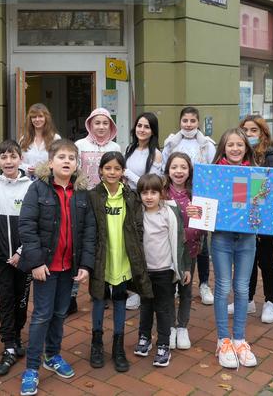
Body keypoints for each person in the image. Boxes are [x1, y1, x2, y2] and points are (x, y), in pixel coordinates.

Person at [17, 139, 96, 396]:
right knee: (42, 315)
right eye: (61, 157)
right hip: (46, 267)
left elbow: (88, 232)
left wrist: (85, 264)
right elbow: (27, 226)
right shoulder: (38, 189)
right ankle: (31, 368)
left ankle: (52, 355)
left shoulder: (82, 193)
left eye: (71, 158)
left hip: (69, 267)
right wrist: (37, 262)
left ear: (77, 164)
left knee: (60, 313)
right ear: (50, 162)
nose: (66, 161)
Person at [210, 128, 273, 369]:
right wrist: (195, 210)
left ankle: (239, 339)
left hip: (246, 240)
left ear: (246, 148)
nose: (234, 148)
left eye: (239, 145)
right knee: (222, 288)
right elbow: (205, 205)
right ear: (223, 147)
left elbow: (259, 209)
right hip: (221, 239)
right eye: (230, 144)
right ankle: (223, 340)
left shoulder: (256, 175)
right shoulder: (215, 174)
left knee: (242, 288)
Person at [87, 152, 151, 373]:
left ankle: (118, 346)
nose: (112, 172)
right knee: (98, 299)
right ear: (100, 171)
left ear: (123, 171)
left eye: (116, 168)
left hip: (123, 259)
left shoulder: (130, 196)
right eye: (108, 168)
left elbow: (138, 225)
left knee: (120, 299)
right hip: (101, 259)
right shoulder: (93, 196)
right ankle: (96, 344)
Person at [0, 140, 34, 377]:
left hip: (24, 257)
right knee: (6, 299)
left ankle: (17, 335)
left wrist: (21, 252)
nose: (8, 161)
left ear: (20, 159)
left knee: (22, 300)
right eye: (4, 157)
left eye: (13, 156)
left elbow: (35, 225)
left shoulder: (32, 187)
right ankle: (9, 344)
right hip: (1, 257)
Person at [236, 115, 273, 324]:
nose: (249, 134)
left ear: (263, 134)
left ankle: (271, 301)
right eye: (246, 130)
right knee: (246, 262)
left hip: (266, 222)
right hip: (244, 221)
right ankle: (248, 300)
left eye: (253, 130)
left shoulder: (272, 158)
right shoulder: (240, 156)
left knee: (266, 261)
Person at [134, 173, 191, 368]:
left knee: (164, 308)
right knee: (146, 306)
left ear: (161, 194)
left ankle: (164, 344)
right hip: (145, 271)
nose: (149, 197)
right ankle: (144, 337)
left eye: (153, 192)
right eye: (144, 193)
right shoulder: (138, 213)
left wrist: (185, 267)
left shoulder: (169, 213)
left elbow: (181, 242)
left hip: (165, 270)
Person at [162, 107, 216, 307]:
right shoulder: (171, 143)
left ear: (198, 122)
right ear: (180, 122)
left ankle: (203, 283)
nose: (188, 124)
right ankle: (177, 280)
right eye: (185, 120)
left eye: (193, 121)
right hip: (175, 193)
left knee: (200, 243)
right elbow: (164, 168)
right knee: (176, 239)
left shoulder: (207, 144)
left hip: (197, 196)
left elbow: (212, 171)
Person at [72, 107, 120, 314]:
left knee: (105, 244)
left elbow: (118, 172)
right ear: (90, 125)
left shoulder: (116, 146)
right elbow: (73, 171)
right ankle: (71, 295)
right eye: (97, 123)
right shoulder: (79, 145)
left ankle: (101, 289)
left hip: (107, 201)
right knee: (79, 245)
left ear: (111, 126)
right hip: (83, 200)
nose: (101, 127)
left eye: (105, 123)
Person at [163, 152, 203, 350]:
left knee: (186, 289)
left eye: (183, 167)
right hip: (167, 252)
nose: (179, 171)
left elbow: (205, 225)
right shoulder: (162, 193)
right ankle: (169, 327)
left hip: (191, 251)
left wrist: (199, 219)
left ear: (190, 171)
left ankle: (182, 327)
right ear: (168, 170)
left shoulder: (197, 193)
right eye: (174, 167)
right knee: (169, 290)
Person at [123, 112, 163, 310]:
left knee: (145, 245)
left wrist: (127, 173)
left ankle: (145, 289)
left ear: (153, 131)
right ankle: (135, 290)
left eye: (147, 126)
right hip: (128, 201)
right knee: (131, 246)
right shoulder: (130, 148)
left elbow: (151, 184)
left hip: (145, 204)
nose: (142, 130)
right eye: (139, 125)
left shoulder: (156, 154)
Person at [19, 103, 61, 179]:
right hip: (27, 183)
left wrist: (41, 170)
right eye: (34, 117)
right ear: (30, 119)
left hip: (48, 182)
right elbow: (19, 162)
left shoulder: (55, 138)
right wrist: (27, 168)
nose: (37, 119)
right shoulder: (24, 139)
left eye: (40, 116)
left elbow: (59, 162)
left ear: (46, 118)